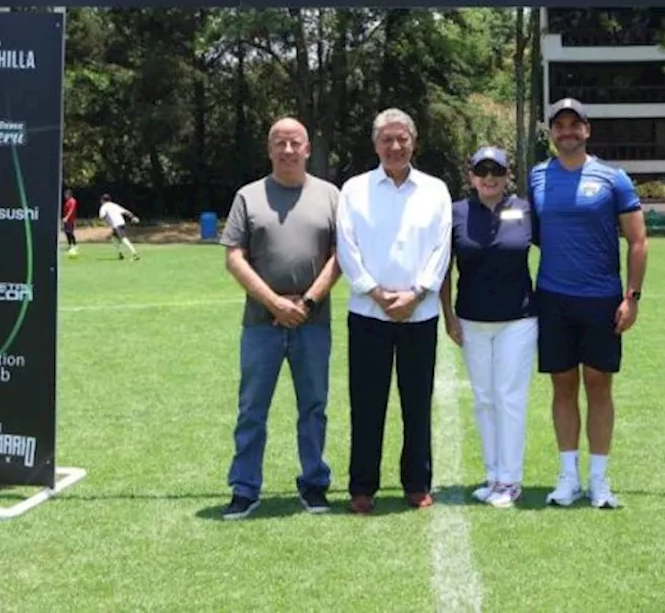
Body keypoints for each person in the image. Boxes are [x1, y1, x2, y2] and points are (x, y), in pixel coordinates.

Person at [218, 118, 341, 519]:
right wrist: (274, 303)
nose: (287, 150)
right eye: (279, 143)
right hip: (260, 324)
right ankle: (245, 487)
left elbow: (340, 257)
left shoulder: (330, 195)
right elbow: (234, 257)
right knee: (252, 408)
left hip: (313, 323)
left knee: (314, 407)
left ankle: (314, 483)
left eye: (295, 143)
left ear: (308, 148)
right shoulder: (248, 197)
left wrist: (306, 302)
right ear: (269, 149)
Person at [529, 98, 648, 510]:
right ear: (552, 133)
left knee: (599, 387)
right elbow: (539, 234)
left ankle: (599, 480)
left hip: (601, 300)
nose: (567, 132)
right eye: (559, 125)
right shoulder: (538, 176)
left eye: (574, 125)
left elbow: (637, 241)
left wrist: (631, 297)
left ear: (587, 130)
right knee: (562, 388)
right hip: (553, 298)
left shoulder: (614, 179)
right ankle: (568, 477)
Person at [336, 108, 452, 515]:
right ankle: (362, 487)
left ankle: (416, 483)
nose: (395, 146)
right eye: (387, 139)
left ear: (413, 142)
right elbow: (346, 248)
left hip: (419, 316)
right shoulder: (353, 189)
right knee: (367, 404)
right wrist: (378, 294)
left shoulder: (436, 190)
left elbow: (442, 249)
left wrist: (418, 294)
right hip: (369, 314)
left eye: (402, 138)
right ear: (375, 145)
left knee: (417, 403)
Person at [440, 146, 537, 509]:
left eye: (496, 171)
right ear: (471, 177)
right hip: (472, 321)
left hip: (519, 320)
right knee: (484, 400)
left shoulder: (525, 210)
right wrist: (448, 315)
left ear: (508, 175)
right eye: (482, 171)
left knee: (509, 398)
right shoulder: (457, 213)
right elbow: (443, 268)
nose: (489, 178)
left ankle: (511, 481)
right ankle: (494, 475)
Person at [97, 193, 141, 260]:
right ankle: (120, 254)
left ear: (102, 200)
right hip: (121, 223)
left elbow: (102, 216)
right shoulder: (114, 205)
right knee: (114, 239)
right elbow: (125, 211)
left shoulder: (104, 207)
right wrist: (133, 217)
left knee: (124, 239)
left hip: (116, 224)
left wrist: (106, 221)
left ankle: (135, 254)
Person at [62, 189, 79, 257]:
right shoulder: (67, 201)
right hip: (67, 220)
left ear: (69, 194)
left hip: (70, 220)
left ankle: (75, 245)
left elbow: (71, 210)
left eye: (66, 194)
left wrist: (67, 217)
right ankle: (70, 245)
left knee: (70, 232)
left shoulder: (72, 201)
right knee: (66, 232)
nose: (65, 196)